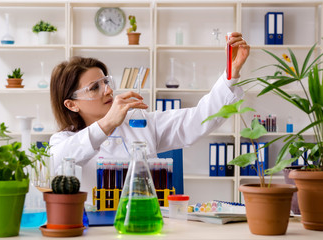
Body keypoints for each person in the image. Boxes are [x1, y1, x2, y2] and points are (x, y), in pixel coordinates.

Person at [50, 32, 250, 203]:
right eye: (95, 88)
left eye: (106, 82)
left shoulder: (141, 124)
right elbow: (55, 164)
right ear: (71, 104)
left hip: (147, 224)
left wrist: (231, 74)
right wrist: (108, 123)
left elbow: (199, 119)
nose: (109, 90)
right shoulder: (62, 141)